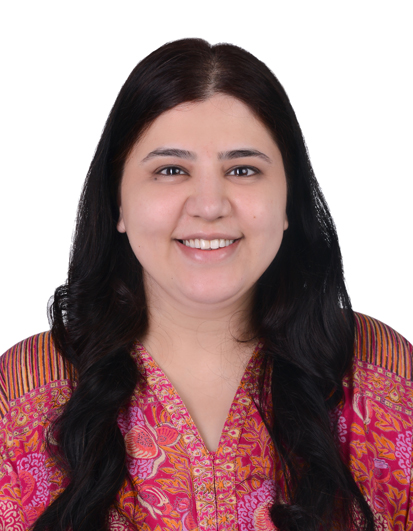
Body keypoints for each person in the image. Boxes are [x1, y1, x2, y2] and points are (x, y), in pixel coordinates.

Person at [0, 38, 411, 531]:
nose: (210, 205)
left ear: (288, 201)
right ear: (118, 203)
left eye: (243, 169)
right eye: (171, 170)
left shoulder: (382, 377)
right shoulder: (25, 395)